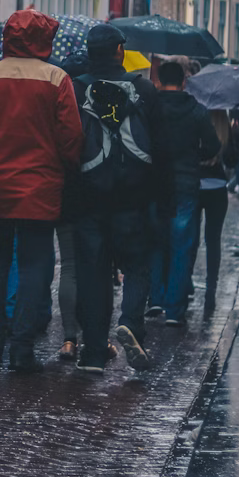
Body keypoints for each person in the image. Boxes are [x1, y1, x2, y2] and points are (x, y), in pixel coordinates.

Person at [0, 10, 83, 372]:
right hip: (40, 190)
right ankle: (22, 347)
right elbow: (71, 138)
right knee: (35, 266)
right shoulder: (57, 79)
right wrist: (64, 166)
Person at [68, 24, 163, 374]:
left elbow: (66, 142)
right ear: (120, 52)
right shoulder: (144, 90)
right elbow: (161, 146)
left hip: (89, 196)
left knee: (93, 273)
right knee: (137, 265)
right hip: (133, 197)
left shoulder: (76, 90)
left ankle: (93, 353)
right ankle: (131, 324)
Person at [150, 61, 224, 325]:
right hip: (185, 182)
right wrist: (195, 157)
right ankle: (174, 308)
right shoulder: (196, 110)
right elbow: (213, 145)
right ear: (183, 82)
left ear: (158, 81)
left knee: (156, 242)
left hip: (154, 183)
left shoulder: (150, 107)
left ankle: (155, 298)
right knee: (182, 244)